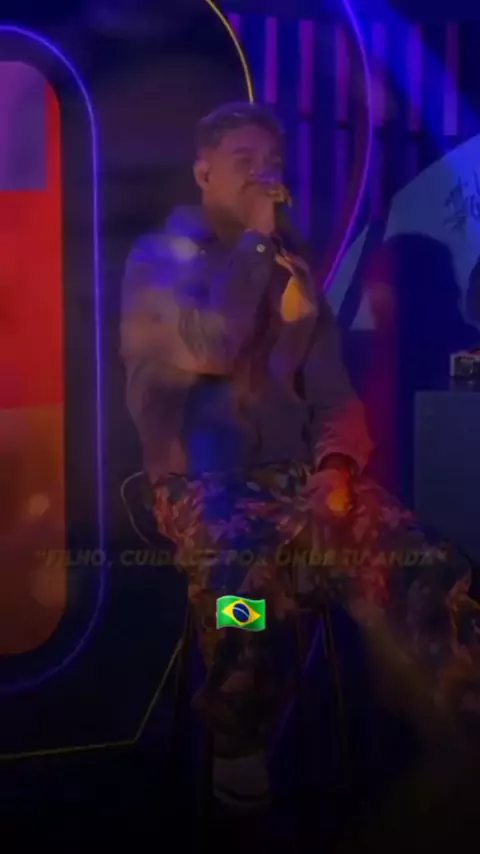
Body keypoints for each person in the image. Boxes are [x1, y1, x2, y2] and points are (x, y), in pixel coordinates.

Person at [120, 102, 480, 811]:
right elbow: (211, 348)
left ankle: (464, 717)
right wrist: (257, 246)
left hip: (295, 480)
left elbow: (334, 394)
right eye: (245, 162)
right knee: (241, 590)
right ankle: (240, 737)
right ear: (204, 173)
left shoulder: (293, 268)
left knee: (429, 561)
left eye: (273, 164)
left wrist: (336, 469)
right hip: (199, 483)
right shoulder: (161, 261)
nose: (265, 176)